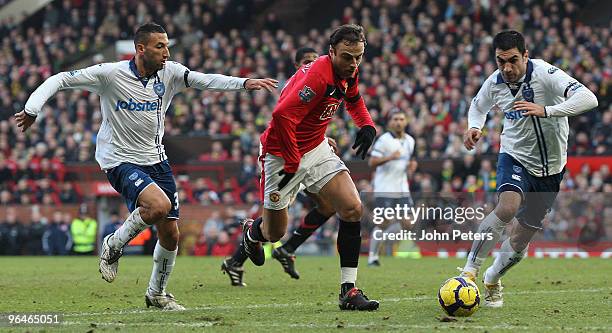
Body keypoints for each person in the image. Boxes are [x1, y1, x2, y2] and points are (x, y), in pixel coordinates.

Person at [15, 22, 278, 310]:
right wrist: (32, 108)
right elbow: (61, 79)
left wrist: (243, 83)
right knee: (158, 207)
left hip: (157, 159)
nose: (166, 52)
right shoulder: (110, 74)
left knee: (170, 233)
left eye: (167, 46)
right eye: (159, 46)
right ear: (140, 49)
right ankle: (113, 244)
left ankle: (156, 294)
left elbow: (205, 80)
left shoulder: (171, 73)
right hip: (119, 159)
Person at [226, 24, 379, 311]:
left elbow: (355, 100)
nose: (354, 63)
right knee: (274, 234)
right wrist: (294, 161)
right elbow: (282, 115)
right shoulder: (319, 77)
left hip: (316, 147)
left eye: (359, 57)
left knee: (352, 208)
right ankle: (252, 232)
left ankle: (349, 291)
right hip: (280, 155)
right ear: (331, 52)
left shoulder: (348, 70)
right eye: (348, 57)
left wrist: (367, 125)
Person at [459, 30, 598, 307]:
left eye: (512, 60)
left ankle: (492, 277)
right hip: (515, 156)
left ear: (525, 55)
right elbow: (478, 106)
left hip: (552, 167)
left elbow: (589, 99)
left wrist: (547, 110)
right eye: (500, 62)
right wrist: (474, 127)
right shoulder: (494, 82)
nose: (507, 68)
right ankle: (468, 273)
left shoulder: (546, 73)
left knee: (521, 239)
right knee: (507, 207)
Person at [221, 46, 339, 285]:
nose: (314, 65)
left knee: (329, 204)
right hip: (282, 156)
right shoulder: (296, 87)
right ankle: (244, 249)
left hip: (308, 154)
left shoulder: (321, 84)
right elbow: (287, 121)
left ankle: (285, 249)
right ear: (297, 66)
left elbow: (310, 123)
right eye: (307, 61)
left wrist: (322, 140)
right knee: (273, 228)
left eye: (316, 62)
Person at [367, 110, 418, 266]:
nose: (398, 122)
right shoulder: (383, 140)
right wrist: (390, 157)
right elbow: (372, 163)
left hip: (401, 187)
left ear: (406, 122)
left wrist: (412, 167)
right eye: (395, 119)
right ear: (390, 122)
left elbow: (410, 162)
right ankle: (372, 257)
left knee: (408, 223)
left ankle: (382, 242)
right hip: (385, 187)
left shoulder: (410, 140)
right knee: (384, 222)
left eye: (401, 119)